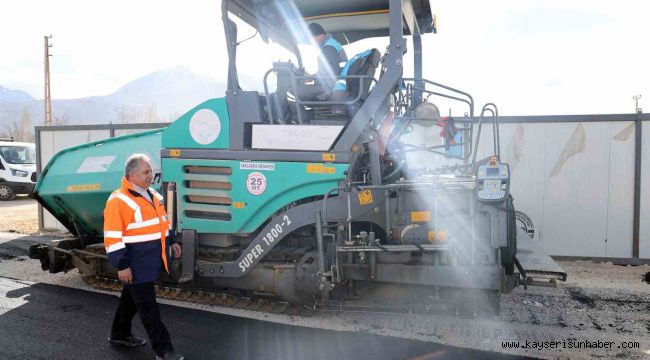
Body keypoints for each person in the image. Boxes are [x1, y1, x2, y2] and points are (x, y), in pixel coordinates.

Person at [104, 153, 184, 360]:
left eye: (151, 171)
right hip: (136, 264)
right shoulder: (118, 200)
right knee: (149, 308)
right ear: (132, 174)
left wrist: (172, 241)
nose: (151, 175)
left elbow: (162, 223)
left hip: (150, 261)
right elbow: (112, 237)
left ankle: (119, 334)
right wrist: (122, 265)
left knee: (130, 300)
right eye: (146, 172)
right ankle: (164, 350)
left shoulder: (154, 195)